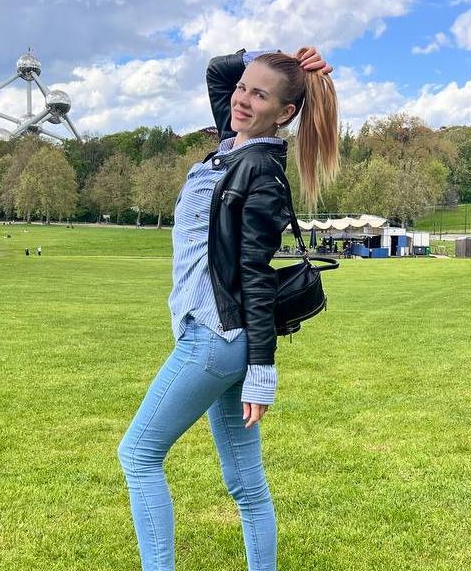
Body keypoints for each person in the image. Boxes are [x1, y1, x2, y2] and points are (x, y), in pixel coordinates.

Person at [118, 46, 338, 571]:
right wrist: (281, 59)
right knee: (245, 483)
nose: (241, 98)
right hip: (220, 338)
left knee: (138, 454)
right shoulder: (230, 145)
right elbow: (219, 70)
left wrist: (263, 371)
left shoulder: (260, 171)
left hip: (214, 339)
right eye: (243, 88)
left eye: (259, 94)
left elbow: (256, 276)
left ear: (284, 113)